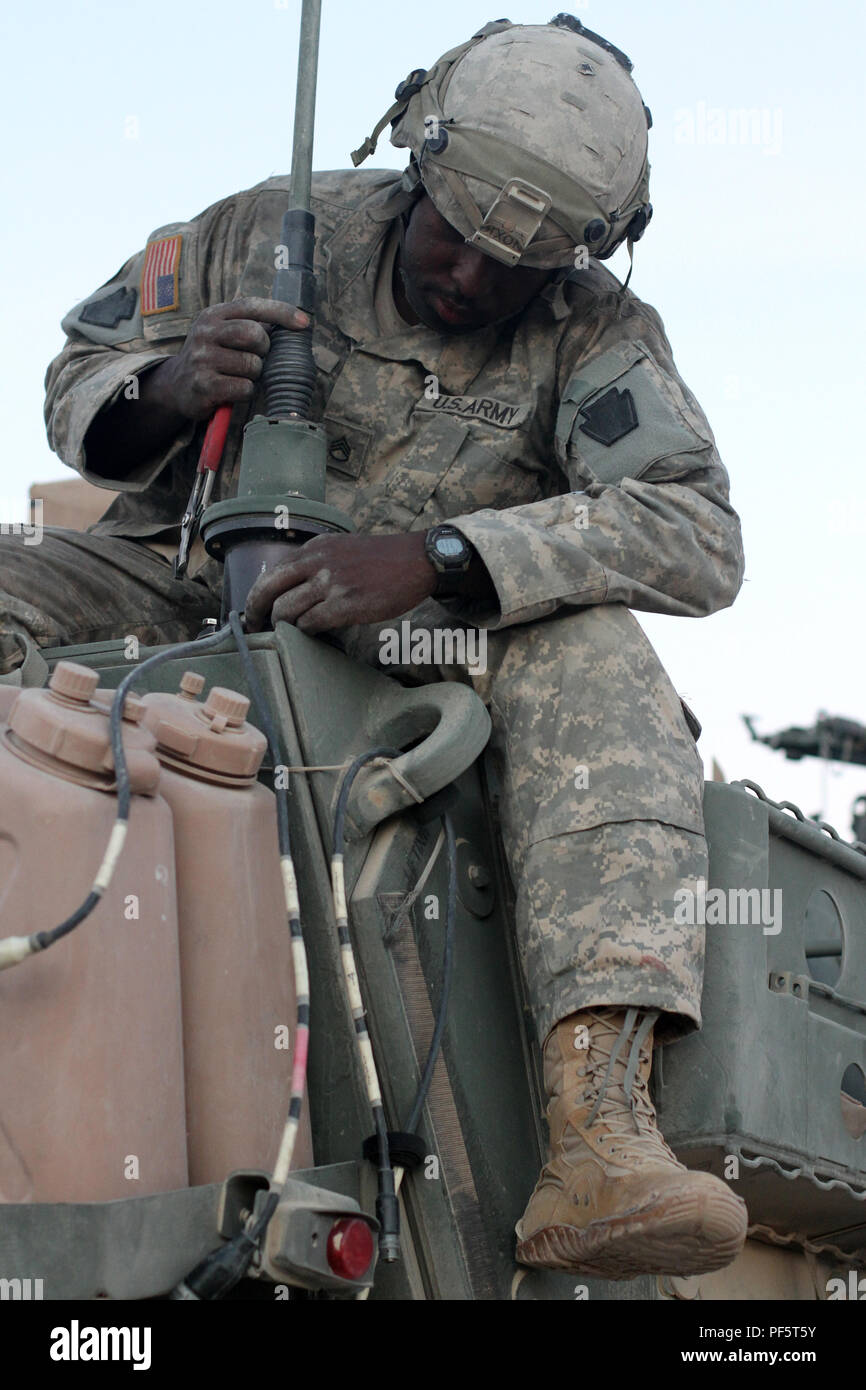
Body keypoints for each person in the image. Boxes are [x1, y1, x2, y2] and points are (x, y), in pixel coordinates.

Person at [4, 16, 748, 1278]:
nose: (463, 281)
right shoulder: (261, 228)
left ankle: (597, 1133)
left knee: (603, 659)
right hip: (176, 571)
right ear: (416, 162)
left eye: (503, 273)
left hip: (411, 631)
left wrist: (446, 556)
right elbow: (78, 372)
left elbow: (692, 530)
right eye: (449, 238)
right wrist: (171, 385)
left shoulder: (592, 333)